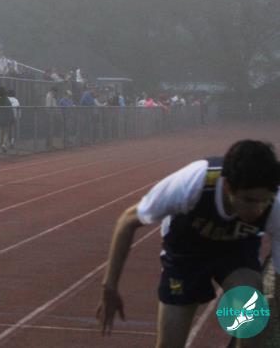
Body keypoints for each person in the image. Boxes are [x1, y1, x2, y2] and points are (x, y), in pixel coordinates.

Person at [97, 140, 280, 347]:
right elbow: (127, 221)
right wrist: (109, 286)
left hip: (236, 251)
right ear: (227, 185)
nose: (258, 209)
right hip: (186, 252)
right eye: (249, 200)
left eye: (264, 201)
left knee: (252, 308)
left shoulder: (276, 205)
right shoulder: (193, 182)